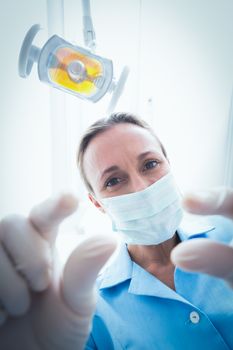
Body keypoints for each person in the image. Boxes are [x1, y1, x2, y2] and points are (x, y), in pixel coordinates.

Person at [0, 112, 232, 350]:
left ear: (168, 163)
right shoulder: (86, 311)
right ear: (98, 203)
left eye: (150, 164)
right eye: (113, 181)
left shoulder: (229, 238)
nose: (141, 188)